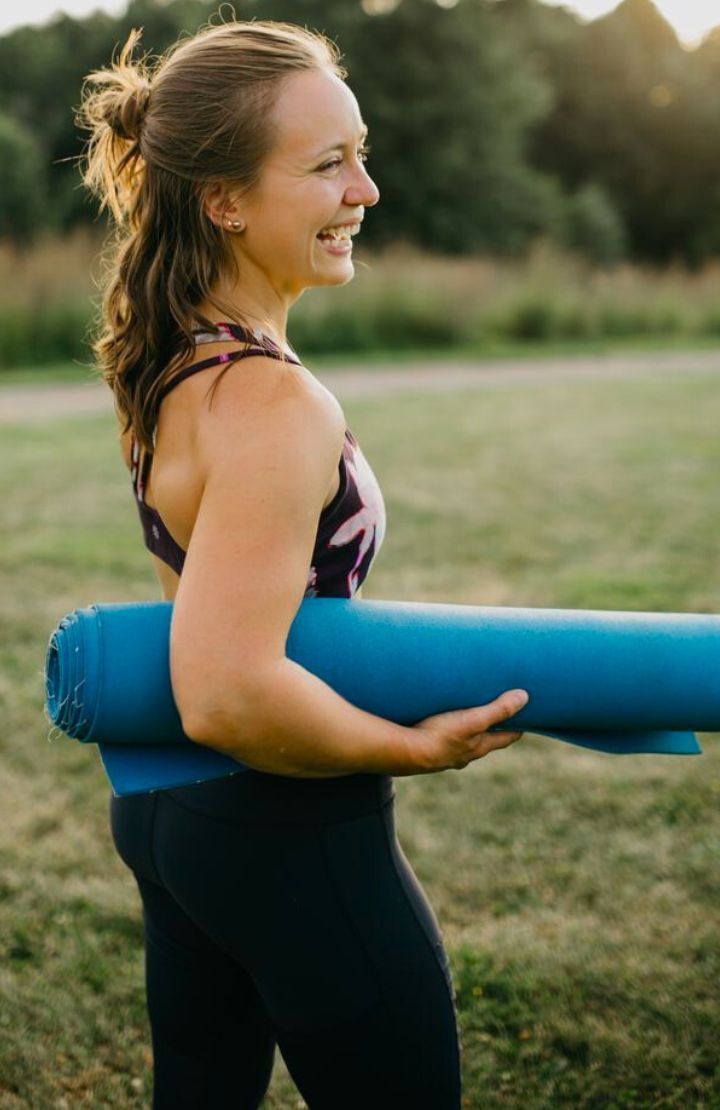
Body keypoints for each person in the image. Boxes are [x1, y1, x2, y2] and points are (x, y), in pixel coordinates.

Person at [77, 19, 529, 1109]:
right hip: (283, 826)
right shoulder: (273, 401)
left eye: (360, 155)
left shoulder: (175, 356)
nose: (365, 190)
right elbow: (228, 689)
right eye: (328, 165)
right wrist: (412, 750)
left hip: (172, 808)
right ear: (224, 201)